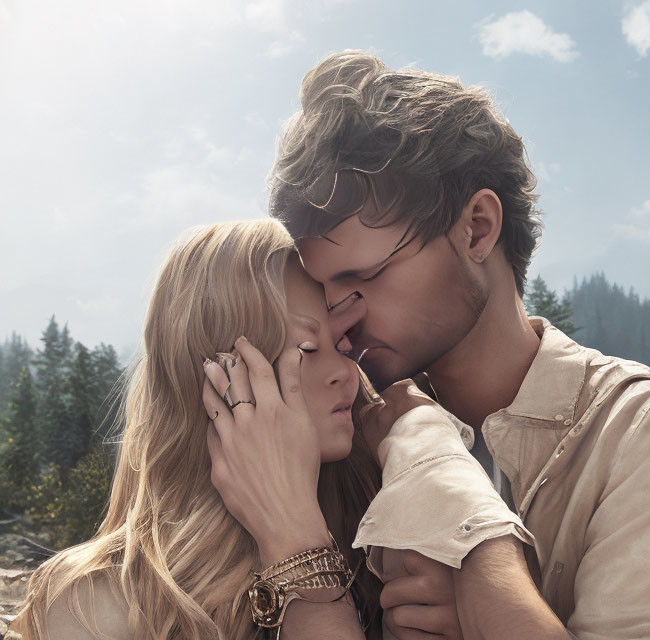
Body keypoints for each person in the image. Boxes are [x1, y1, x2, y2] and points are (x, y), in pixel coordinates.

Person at [257, 50, 650, 639]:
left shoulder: (643, 429)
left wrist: (485, 596)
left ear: (477, 228)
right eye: (325, 292)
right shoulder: (346, 427)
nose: (340, 322)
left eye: (366, 278)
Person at [10, 219, 395, 639]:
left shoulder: (388, 558)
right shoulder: (95, 606)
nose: (345, 372)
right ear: (221, 380)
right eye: (306, 347)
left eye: (343, 345)